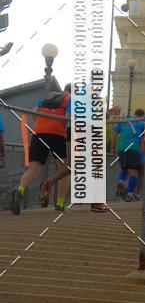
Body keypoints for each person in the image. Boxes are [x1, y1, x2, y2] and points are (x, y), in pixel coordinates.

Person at [40, 84, 109, 212]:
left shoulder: (74, 97)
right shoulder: (93, 97)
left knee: (70, 167)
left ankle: (48, 183)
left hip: (72, 131)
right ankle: (96, 203)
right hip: (86, 131)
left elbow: (68, 118)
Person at [10, 87, 70, 215]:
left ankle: (19, 190)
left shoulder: (45, 98)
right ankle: (59, 203)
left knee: (33, 170)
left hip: (38, 133)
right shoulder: (69, 100)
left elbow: (34, 114)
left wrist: (44, 123)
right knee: (64, 170)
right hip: (57, 135)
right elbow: (66, 119)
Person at [113, 109, 145, 201]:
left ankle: (121, 181)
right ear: (142, 116)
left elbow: (114, 133)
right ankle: (130, 194)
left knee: (124, 169)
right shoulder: (142, 123)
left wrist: (113, 147)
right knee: (133, 172)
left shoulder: (123, 121)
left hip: (121, 148)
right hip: (134, 148)